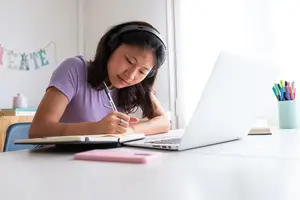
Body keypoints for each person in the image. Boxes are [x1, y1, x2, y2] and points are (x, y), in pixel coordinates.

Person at [29, 21, 170, 138]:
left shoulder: (134, 86)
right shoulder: (74, 69)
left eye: (142, 71)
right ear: (111, 47)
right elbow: (38, 130)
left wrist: (132, 130)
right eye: (129, 61)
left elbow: (163, 122)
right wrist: (96, 128)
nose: (131, 75)